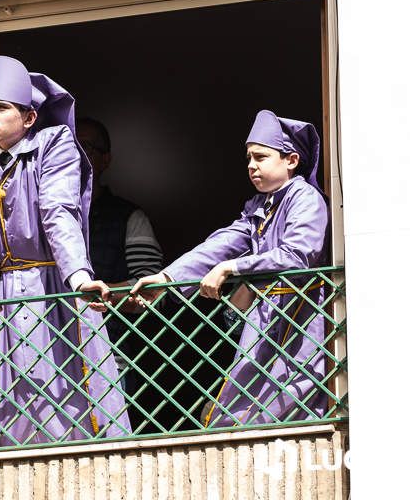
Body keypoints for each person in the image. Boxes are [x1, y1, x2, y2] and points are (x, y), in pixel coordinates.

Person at [0, 56, 131, 445]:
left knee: (66, 385)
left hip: (57, 284)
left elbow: (57, 212)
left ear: (29, 118)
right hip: (12, 289)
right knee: (16, 387)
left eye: (1, 108)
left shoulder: (55, 145)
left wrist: (79, 277)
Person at [130, 109, 329, 428]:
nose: (251, 165)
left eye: (261, 157)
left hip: (299, 320)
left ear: (290, 160)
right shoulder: (259, 206)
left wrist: (233, 268)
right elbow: (220, 245)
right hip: (264, 319)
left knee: (290, 403)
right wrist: (167, 278)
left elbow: (298, 254)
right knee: (241, 402)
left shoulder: (305, 198)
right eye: (249, 158)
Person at [75, 117, 164, 398]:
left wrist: (96, 296)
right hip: (48, 351)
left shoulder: (128, 218)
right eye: (69, 145)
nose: (75, 153)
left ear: (105, 159)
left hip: (110, 357)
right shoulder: (39, 214)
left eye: (86, 146)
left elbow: (152, 293)